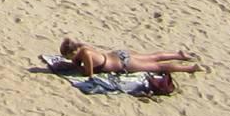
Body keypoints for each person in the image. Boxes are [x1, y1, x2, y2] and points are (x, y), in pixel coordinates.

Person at [56, 39, 202, 78]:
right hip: (118, 54)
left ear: (73, 51)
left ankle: (189, 69)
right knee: (153, 56)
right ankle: (179, 55)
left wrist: (73, 68)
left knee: (157, 67)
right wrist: (69, 65)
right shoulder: (83, 47)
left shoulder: (86, 55)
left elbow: (88, 73)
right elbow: (76, 62)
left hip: (122, 63)